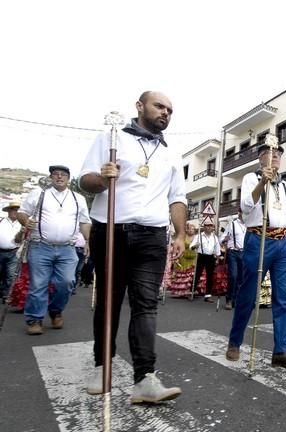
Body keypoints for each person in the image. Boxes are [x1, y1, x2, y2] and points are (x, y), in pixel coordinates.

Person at [79, 91, 186, 403]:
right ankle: (102, 367)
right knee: (109, 301)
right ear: (140, 107)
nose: (165, 112)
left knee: (146, 305)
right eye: (159, 106)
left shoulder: (171, 154)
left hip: (152, 235)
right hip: (111, 229)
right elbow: (85, 180)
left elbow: (176, 197)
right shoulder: (111, 137)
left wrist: (179, 235)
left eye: (170, 109)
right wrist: (102, 178)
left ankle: (145, 379)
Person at [225, 142, 286, 371]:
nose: (274, 157)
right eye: (269, 154)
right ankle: (235, 341)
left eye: (277, 154)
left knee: (283, 298)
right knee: (248, 294)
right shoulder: (251, 178)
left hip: (282, 243)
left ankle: (281, 351)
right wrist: (263, 182)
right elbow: (247, 207)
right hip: (258, 240)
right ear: (261, 158)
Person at [16, 165, 91, 335]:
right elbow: (22, 213)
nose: (59, 177)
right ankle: (35, 319)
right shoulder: (39, 194)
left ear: (68, 178)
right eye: (55, 174)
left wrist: (87, 241)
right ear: (51, 177)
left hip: (67, 248)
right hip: (40, 246)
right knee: (38, 284)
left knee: (66, 282)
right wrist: (25, 222)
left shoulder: (78, 198)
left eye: (63, 174)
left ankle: (55, 310)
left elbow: (85, 222)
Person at [190, 220, 220, 302]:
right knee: (197, 274)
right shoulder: (199, 236)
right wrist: (195, 246)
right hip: (201, 256)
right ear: (204, 227)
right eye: (207, 225)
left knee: (210, 276)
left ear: (213, 227)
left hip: (210, 257)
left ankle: (208, 295)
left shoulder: (215, 237)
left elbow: (217, 250)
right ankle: (192, 291)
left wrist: (217, 259)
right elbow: (191, 246)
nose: (209, 227)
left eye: (210, 226)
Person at [168, 223, 201, 297]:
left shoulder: (197, 238)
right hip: (183, 257)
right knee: (184, 273)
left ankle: (192, 290)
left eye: (192, 229)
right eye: (189, 229)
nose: (191, 230)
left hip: (193, 257)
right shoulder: (183, 237)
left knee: (193, 274)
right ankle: (182, 291)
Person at [0, 201, 24, 303]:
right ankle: (2, 292)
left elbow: (19, 240)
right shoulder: (1, 221)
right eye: (13, 209)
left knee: (11, 275)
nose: (15, 212)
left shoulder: (21, 224)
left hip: (14, 252)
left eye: (17, 210)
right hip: (0, 251)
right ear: (8, 211)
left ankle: (7, 295)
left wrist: (21, 232)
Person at [224, 209, 246, 310]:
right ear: (239, 213)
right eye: (243, 212)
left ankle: (236, 300)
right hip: (233, 252)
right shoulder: (232, 224)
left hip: (244, 253)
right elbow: (222, 237)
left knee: (241, 278)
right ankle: (229, 299)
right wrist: (225, 239)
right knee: (233, 276)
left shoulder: (248, 226)